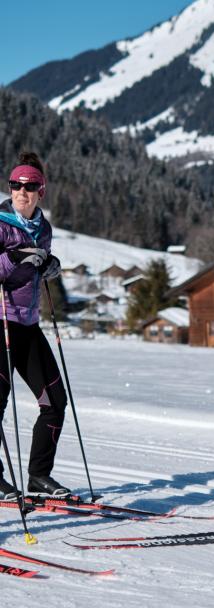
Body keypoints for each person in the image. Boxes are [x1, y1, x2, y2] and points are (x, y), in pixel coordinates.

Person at [0, 152, 69, 500]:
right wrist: (12, 258)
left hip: (27, 323)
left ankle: (39, 476)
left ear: (41, 191)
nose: (21, 192)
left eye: (28, 187)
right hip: (0, 321)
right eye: (15, 185)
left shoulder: (43, 228)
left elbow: (38, 267)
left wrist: (49, 266)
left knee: (55, 401)